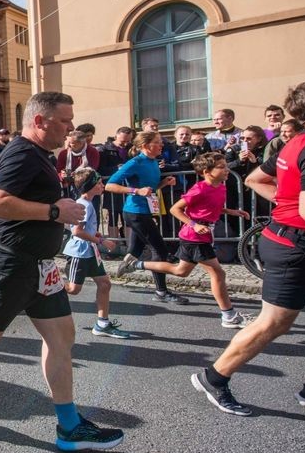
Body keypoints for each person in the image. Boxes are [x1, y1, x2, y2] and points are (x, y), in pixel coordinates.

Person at [0, 92, 125, 451]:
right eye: (65, 121)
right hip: (10, 263)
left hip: (42, 266)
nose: (71, 128)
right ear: (40, 122)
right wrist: (54, 212)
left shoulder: (32, 153)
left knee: (62, 338)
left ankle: (68, 426)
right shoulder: (22, 152)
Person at [192, 80, 305, 418]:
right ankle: (212, 377)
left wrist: (288, 201)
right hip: (298, 247)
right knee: (273, 323)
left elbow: (255, 179)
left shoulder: (299, 142)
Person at [119, 152, 252, 329]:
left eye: (226, 165)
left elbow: (211, 208)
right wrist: (195, 225)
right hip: (194, 237)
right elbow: (175, 209)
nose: (227, 169)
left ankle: (136, 265)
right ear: (207, 171)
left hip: (202, 235)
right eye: (221, 167)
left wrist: (231, 212)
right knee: (218, 274)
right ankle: (229, 315)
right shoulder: (199, 188)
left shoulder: (220, 186)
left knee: (181, 271)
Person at [105, 131, 188, 304]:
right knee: (160, 251)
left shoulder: (153, 162)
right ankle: (161, 291)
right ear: (145, 145)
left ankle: (128, 264)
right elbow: (109, 185)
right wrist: (135, 191)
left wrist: (163, 183)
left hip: (145, 211)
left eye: (161, 142)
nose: (161, 145)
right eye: (157, 142)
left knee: (135, 250)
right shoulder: (135, 162)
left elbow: (149, 187)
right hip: (135, 212)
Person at [61, 168, 127, 339]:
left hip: (91, 251)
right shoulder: (83, 205)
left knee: (105, 284)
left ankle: (102, 324)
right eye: (99, 183)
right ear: (90, 186)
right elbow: (76, 231)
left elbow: (84, 229)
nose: (102, 185)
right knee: (73, 289)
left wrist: (95, 234)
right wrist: (102, 241)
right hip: (80, 253)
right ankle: (41, 286)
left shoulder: (89, 202)